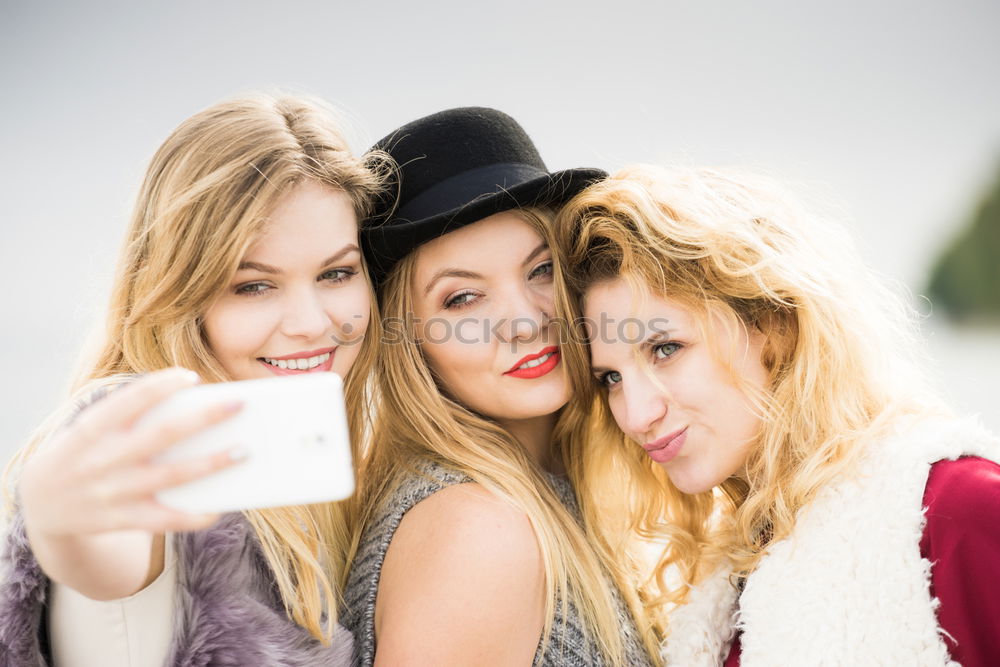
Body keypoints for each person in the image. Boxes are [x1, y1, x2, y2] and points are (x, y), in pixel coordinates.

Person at [552, 163, 1000, 666]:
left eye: (665, 349)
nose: (635, 415)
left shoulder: (957, 508)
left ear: (776, 325)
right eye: (610, 378)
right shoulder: (728, 579)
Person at [0, 94, 386, 666]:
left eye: (336, 273)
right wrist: (58, 520)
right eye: (252, 285)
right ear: (180, 291)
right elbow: (106, 557)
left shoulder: (306, 456)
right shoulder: (146, 427)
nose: (310, 324)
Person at [340, 108, 659, 666]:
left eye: (541, 270)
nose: (524, 321)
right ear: (407, 338)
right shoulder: (479, 532)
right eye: (462, 299)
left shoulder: (543, 491)